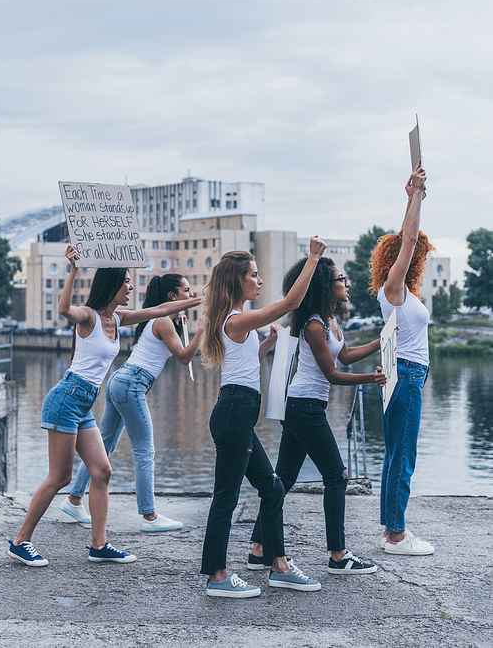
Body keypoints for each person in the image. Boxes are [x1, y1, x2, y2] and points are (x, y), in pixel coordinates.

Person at [8, 245, 200, 567]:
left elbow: (160, 309)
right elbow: (65, 309)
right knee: (60, 477)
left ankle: (99, 545)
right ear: (112, 285)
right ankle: (21, 540)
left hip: (83, 405)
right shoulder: (89, 317)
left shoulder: (118, 319)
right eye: (126, 282)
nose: (130, 287)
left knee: (102, 471)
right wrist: (73, 269)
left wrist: (200, 301)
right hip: (66, 399)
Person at [200, 237, 327, 598]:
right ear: (237, 281)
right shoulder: (237, 319)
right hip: (235, 413)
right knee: (226, 497)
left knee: (271, 489)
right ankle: (218, 576)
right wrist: (313, 259)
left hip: (238, 411)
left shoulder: (235, 322)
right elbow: (290, 303)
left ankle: (279, 566)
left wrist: (267, 346)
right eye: (253, 275)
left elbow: (244, 367)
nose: (258, 281)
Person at [249, 257, 386, 575]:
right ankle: (338, 556)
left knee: (281, 482)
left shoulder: (329, 321)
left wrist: (382, 342)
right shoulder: (313, 324)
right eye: (342, 278)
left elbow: (346, 355)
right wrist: (372, 379)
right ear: (326, 285)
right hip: (304, 407)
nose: (347, 283)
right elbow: (333, 374)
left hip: (304, 407)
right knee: (337, 477)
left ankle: (258, 549)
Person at [60, 274, 204, 533]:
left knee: (104, 443)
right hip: (131, 384)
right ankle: (150, 516)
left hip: (121, 380)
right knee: (144, 450)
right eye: (187, 291)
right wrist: (202, 329)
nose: (191, 295)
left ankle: (74, 499)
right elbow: (184, 357)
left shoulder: (158, 320)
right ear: (173, 296)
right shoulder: (162, 321)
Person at [369, 162, 435, 555]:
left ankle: (390, 528)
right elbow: (407, 239)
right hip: (406, 377)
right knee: (403, 457)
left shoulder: (401, 294)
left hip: (405, 376)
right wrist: (415, 196)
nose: (418, 259)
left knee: (395, 455)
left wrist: (413, 198)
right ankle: (396, 535)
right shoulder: (391, 290)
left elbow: (407, 238)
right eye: (414, 255)